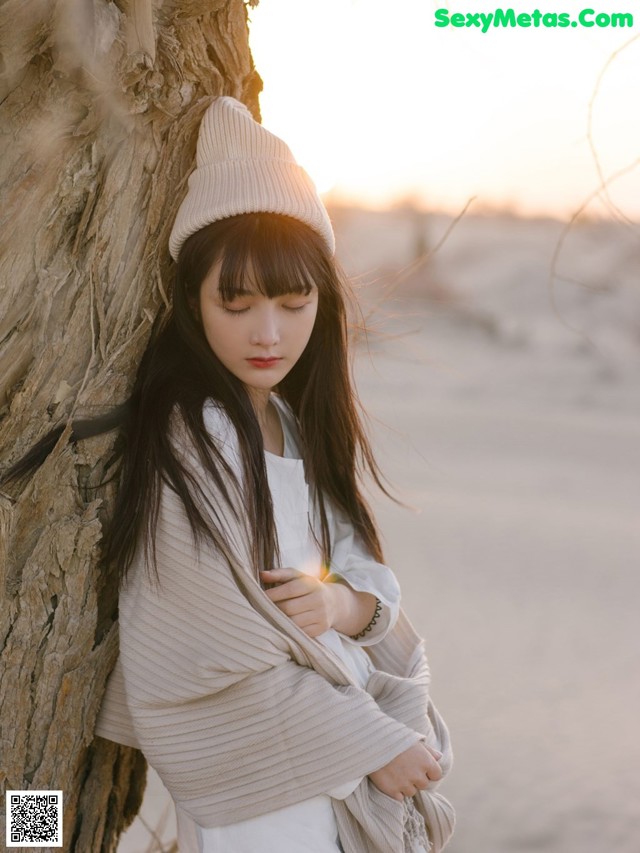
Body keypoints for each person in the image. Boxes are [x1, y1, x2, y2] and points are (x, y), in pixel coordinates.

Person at [4, 97, 454, 852]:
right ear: (192, 301)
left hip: (324, 754)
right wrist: (371, 743)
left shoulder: (296, 424)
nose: (268, 332)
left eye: (293, 300)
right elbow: (212, 658)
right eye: (236, 302)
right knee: (29, 823)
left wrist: (344, 610)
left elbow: (360, 571)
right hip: (261, 775)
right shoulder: (197, 434)